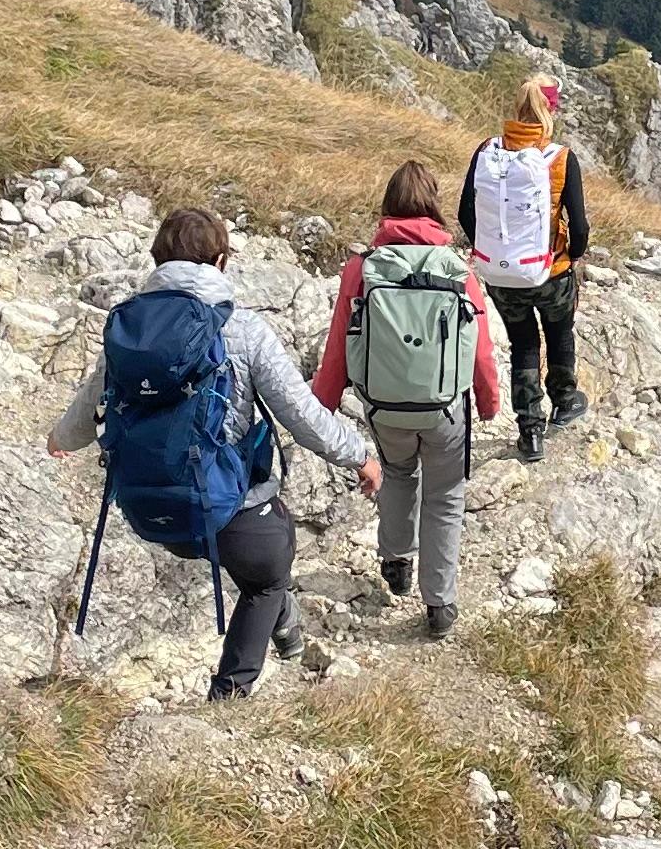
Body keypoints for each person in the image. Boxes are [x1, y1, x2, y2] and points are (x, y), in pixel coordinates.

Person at [46, 208, 381, 699]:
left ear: (157, 259)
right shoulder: (243, 330)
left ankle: (283, 630)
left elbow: (86, 409)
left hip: (148, 509)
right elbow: (302, 417)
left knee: (257, 558)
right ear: (222, 260)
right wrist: (359, 456)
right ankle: (229, 695)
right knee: (268, 570)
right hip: (225, 511)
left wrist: (59, 439)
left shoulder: (129, 331)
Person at [313, 160, 503, 638]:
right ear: (434, 206)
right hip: (444, 409)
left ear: (388, 207)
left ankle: (396, 560)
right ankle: (439, 604)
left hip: (384, 406)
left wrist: (324, 401)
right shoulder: (457, 268)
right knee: (445, 497)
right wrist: (488, 400)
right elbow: (478, 345)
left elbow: (340, 341)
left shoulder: (362, 267)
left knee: (398, 473)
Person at [461, 77, 590, 461]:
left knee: (523, 343)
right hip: (551, 272)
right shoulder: (561, 158)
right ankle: (565, 402)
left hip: (501, 275)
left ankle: (529, 431)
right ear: (551, 110)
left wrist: (490, 252)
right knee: (559, 332)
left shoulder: (487, 152)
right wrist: (571, 256)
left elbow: (466, 213)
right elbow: (579, 225)